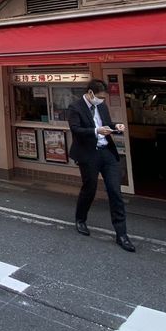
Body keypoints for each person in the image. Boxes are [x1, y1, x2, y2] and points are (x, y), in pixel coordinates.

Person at [67, 79, 134, 252]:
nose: (102, 100)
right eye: (99, 97)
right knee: (90, 188)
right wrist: (95, 131)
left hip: (107, 152)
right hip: (88, 154)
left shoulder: (102, 107)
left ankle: (121, 233)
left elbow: (107, 125)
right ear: (90, 93)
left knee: (115, 190)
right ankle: (80, 219)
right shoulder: (75, 107)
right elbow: (75, 129)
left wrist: (116, 127)